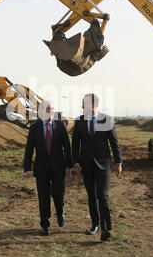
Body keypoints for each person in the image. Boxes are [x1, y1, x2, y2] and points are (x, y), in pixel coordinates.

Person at [72, 93, 122, 241]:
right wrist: (75, 162)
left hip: (104, 164)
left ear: (93, 105)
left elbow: (114, 142)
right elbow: (75, 144)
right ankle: (95, 224)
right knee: (91, 196)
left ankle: (106, 229)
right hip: (85, 164)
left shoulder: (107, 119)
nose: (82, 106)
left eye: (84, 104)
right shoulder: (79, 121)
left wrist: (118, 162)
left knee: (102, 194)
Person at [24, 100, 73, 236]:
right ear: (41, 112)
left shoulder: (61, 126)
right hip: (41, 168)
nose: (49, 111)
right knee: (43, 197)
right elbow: (29, 149)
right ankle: (45, 224)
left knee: (58, 194)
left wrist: (69, 165)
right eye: (47, 109)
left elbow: (67, 148)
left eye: (51, 109)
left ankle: (60, 212)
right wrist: (27, 167)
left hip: (59, 168)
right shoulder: (34, 128)